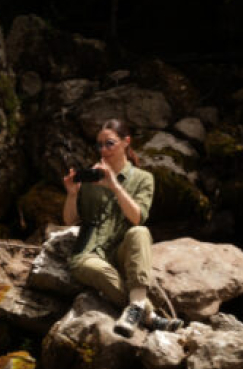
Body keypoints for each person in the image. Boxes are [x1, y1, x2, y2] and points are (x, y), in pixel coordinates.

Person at [62, 118, 182, 337]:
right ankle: (145, 313)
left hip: (120, 252)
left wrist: (115, 186)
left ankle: (136, 309)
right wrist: (72, 194)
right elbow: (70, 220)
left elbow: (137, 218)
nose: (103, 149)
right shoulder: (90, 178)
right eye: (99, 145)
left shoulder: (144, 179)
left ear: (126, 142)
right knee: (93, 268)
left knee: (140, 232)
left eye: (109, 143)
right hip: (90, 252)